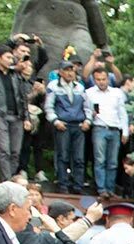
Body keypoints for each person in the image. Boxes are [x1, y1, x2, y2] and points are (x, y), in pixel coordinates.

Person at [0, 44, 29, 181]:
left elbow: (23, 98)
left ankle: (11, 179)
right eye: (8, 57)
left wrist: (26, 118)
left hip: (17, 116)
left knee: (15, 151)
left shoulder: (15, 74)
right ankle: (5, 181)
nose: (10, 60)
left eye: (11, 57)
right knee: (4, 151)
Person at [43, 60, 87, 193]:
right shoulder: (53, 86)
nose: (69, 73)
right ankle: (63, 184)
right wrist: (56, 121)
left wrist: (88, 121)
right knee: (63, 156)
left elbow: (87, 107)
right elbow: (48, 107)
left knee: (79, 157)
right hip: (63, 125)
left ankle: (78, 185)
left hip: (79, 126)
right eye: (66, 70)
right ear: (61, 72)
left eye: (71, 70)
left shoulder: (79, 87)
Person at [82, 68, 127, 196]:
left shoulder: (117, 93)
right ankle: (101, 189)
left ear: (108, 78)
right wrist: (90, 115)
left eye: (103, 79)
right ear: (94, 79)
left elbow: (122, 113)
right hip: (99, 127)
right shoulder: (89, 93)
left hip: (115, 129)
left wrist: (125, 131)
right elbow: (86, 111)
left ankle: (110, 188)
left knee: (113, 162)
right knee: (100, 159)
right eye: (98, 79)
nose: (101, 82)